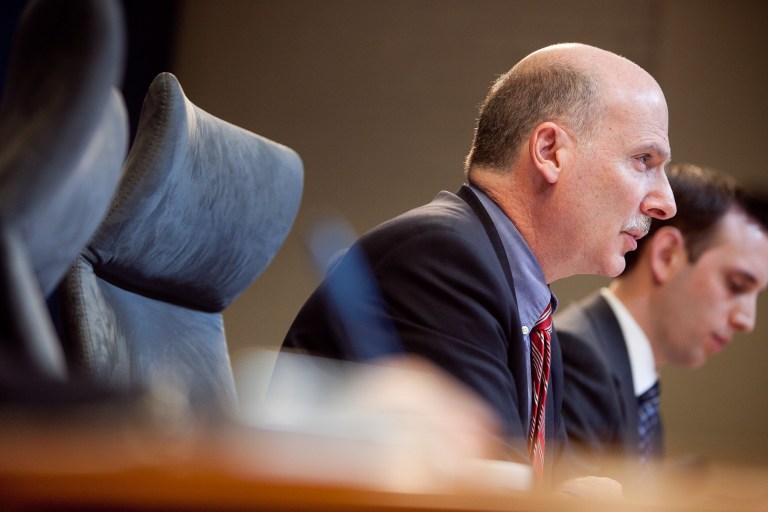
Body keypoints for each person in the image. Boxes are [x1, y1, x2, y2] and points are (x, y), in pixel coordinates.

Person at [280, 42, 676, 486]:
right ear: (549, 151)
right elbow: (487, 493)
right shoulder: (442, 258)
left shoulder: (530, 306)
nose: (666, 203)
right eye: (644, 160)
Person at [555, 163, 768, 484]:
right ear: (667, 255)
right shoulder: (578, 359)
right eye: (736, 285)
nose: (746, 320)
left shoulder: (638, 385)